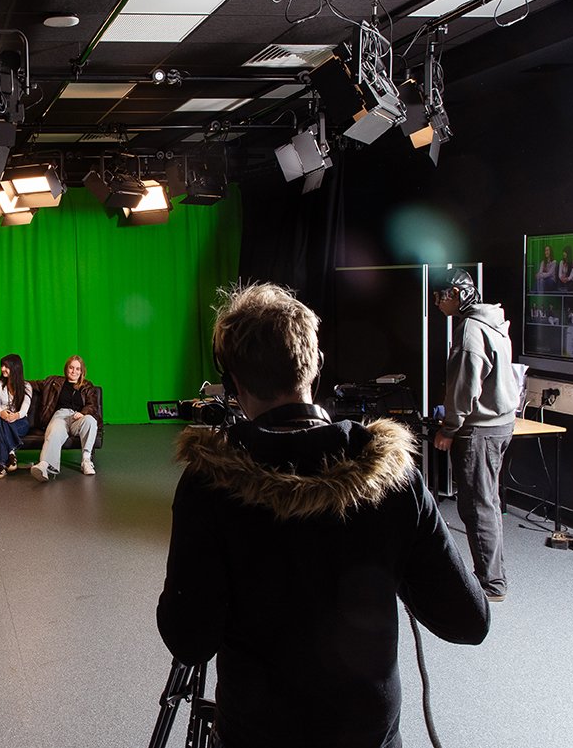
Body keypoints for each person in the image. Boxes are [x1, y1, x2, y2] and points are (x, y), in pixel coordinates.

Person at [157, 282, 489, 748]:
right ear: (315, 365)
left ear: (232, 383)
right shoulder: (391, 476)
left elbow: (188, 640)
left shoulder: (210, 484)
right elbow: (468, 621)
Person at [433, 269, 520, 601]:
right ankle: (493, 574)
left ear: (456, 294)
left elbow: (464, 388)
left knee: (476, 506)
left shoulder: (469, 329)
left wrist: (448, 429)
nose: (438, 304)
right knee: (489, 501)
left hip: (479, 431)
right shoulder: (493, 320)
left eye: (440, 297)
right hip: (500, 424)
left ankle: (491, 584)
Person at [29, 356, 101, 480]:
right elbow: (34, 384)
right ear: (66, 368)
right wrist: (15, 380)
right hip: (60, 416)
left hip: (78, 418)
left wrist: (83, 413)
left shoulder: (87, 386)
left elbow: (92, 405)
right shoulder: (54, 382)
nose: (74, 371)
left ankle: (86, 461)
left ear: (82, 371)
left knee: (90, 420)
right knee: (54, 432)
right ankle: (45, 466)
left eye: (78, 369)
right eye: (71, 367)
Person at [0, 353, 32, 479]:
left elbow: (25, 409)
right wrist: (2, 413)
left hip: (20, 423)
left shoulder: (27, 386)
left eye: (6, 366)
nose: (2, 369)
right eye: (2, 366)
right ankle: (9, 457)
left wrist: (16, 416)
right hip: (1, 418)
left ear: (15, 367)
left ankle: (2, 462)